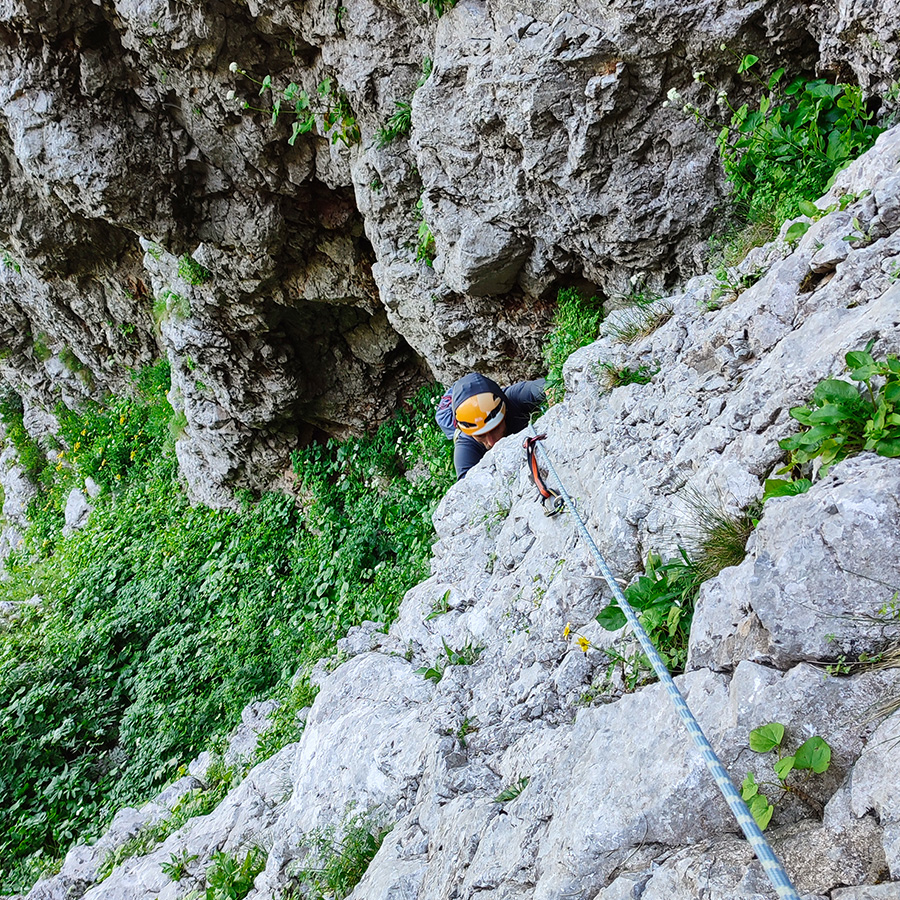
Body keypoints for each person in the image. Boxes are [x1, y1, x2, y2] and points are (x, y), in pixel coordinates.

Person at [436, 372, 546, 480]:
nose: (492, 442)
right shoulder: (466, 445)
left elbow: (539, 387)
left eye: (495, 428)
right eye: (481, 436)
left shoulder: (511, 399)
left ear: (504, 410)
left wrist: (548, 391)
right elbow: (465, 484)